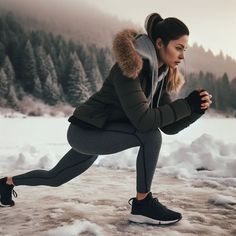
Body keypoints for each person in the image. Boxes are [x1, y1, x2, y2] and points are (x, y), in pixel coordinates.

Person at [0, 13, 212, 226]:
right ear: (159, 43)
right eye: (179, 47)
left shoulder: (157, 75)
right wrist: (186, 105)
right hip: (86, 132)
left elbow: (168, 127)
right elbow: (145, 122)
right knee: (150, 135)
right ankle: (142, 204)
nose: (182, 55)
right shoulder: (129, 69)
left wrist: (194, 110)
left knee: (55, 178)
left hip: (102, 131)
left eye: (185, 49)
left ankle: (6, 183)